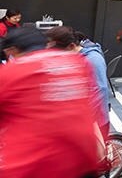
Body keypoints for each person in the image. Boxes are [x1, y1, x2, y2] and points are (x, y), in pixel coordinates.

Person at [0, 27, 102, 177]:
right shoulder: (78, 62)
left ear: (13, 50)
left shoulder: (12, 72)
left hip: (33, 165)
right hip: (82, 159)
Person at [46, 26, 110, 140]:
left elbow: (100, 90)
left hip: (94, 120)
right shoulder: (72, 58)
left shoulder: (93, 59)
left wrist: (85, 118)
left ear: (71, 46)